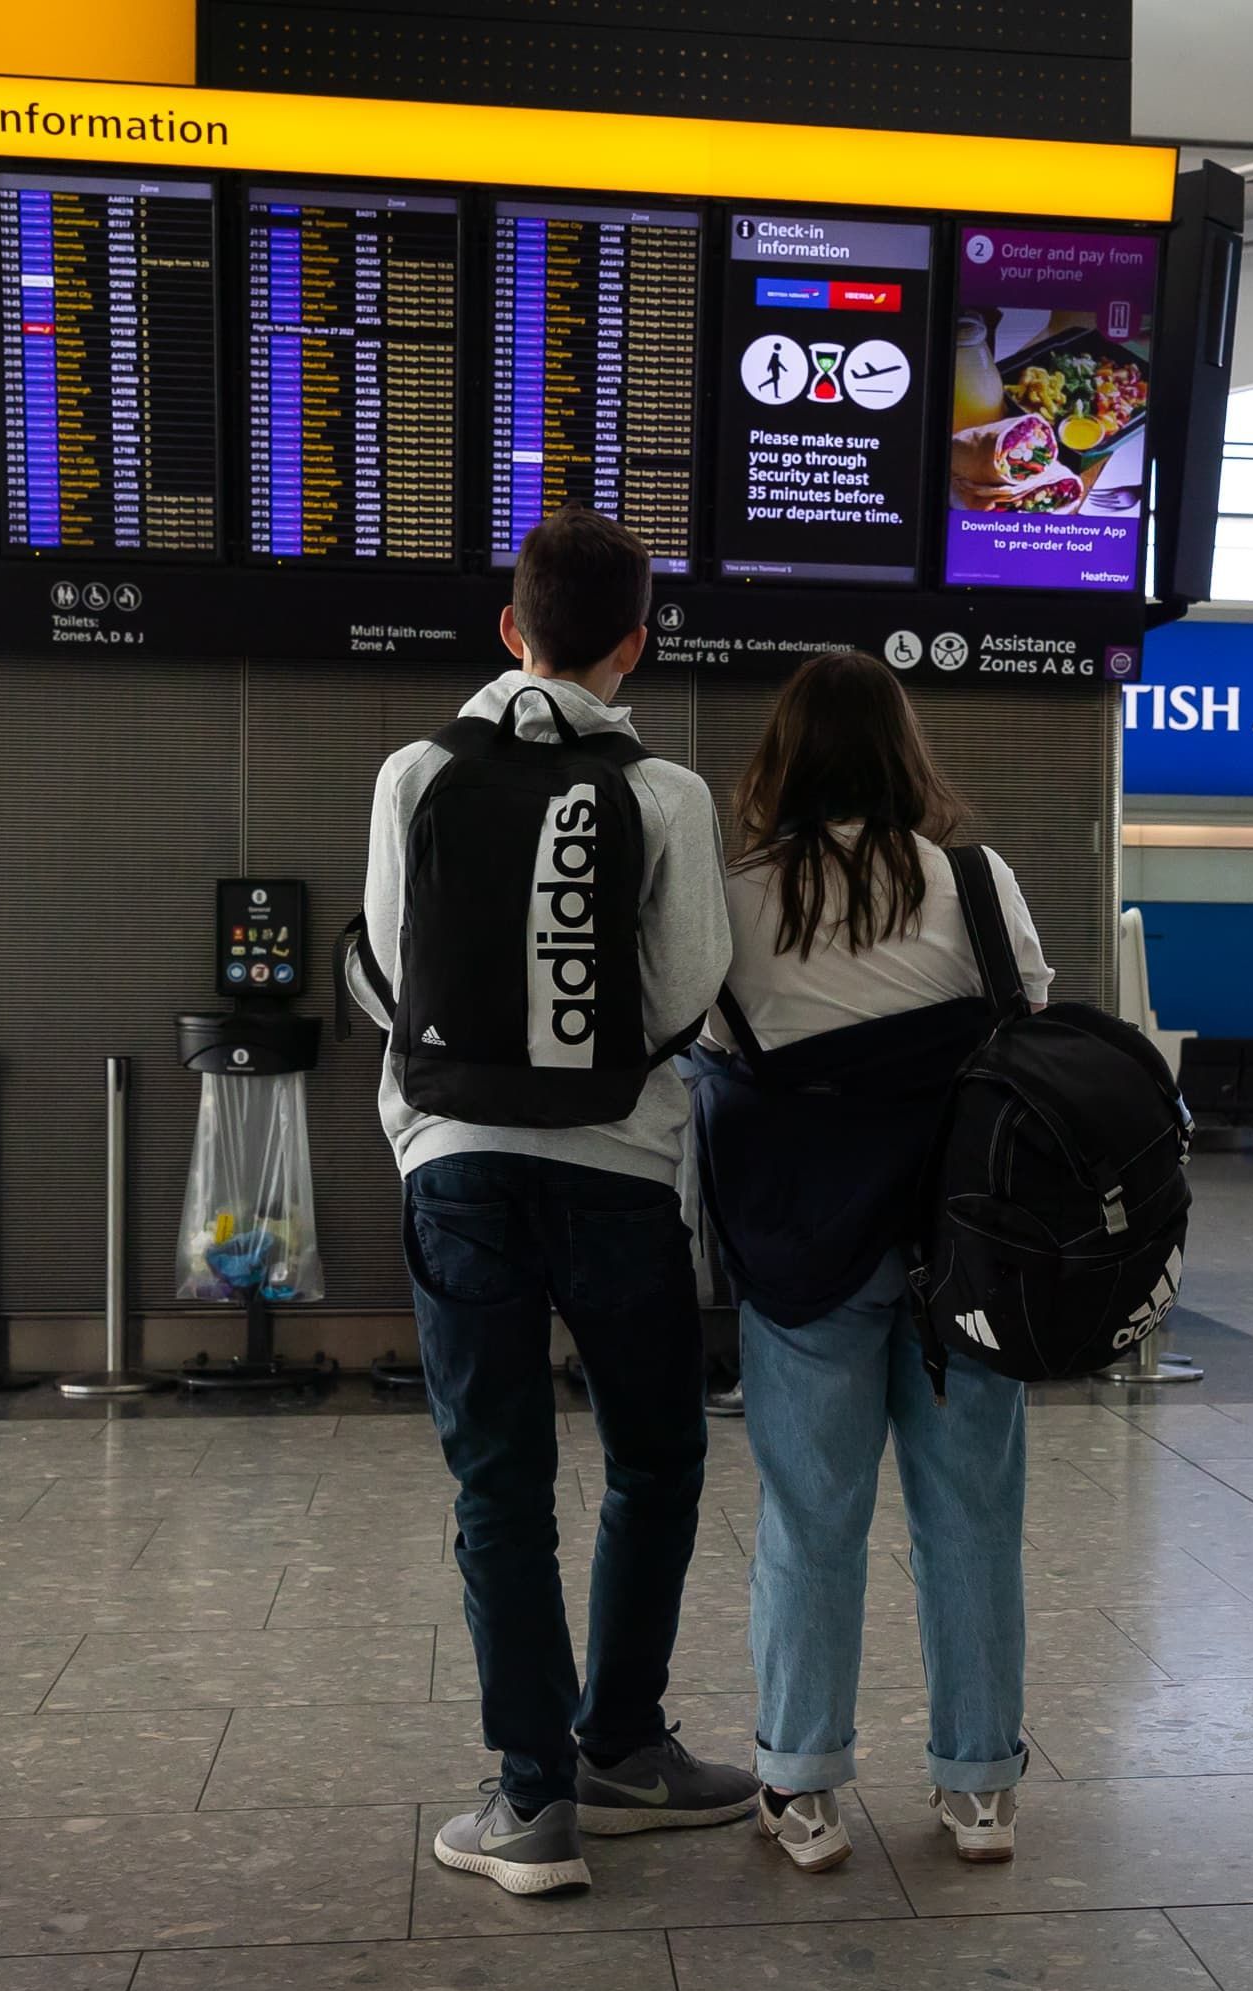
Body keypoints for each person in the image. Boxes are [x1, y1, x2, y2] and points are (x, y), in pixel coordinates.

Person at [349, 508, 750, 1897]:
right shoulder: (667, 794)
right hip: (619, 1171)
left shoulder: (416, 772)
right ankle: (623, 1747)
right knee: (655, 1458)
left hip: (456, 1165)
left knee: (500, 1483)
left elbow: (393, 972)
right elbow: (689, 991)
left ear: (510, 629)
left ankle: (532, 1804)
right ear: (636, 644)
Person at [685, 651, 1052, 1875]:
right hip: (963, 1255)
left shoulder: (737, 900)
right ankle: (981, 1787)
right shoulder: (976, 882)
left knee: (811, 1519)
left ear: (780, 761)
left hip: (805, 1253)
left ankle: (801, 1785)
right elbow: (1027, 1024)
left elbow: (699, 1042)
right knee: (973, 1518)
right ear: (906, 754)